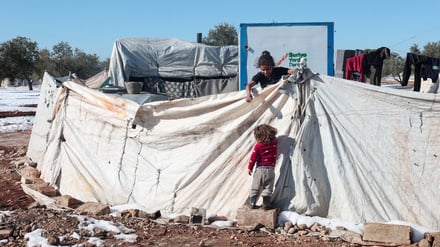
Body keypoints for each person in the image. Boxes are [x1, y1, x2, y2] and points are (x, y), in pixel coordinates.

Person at [247, 124, 278, 210]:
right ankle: (266, 204)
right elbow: (275, 138)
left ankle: (252, 203)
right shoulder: (274, 143)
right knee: (268, 188)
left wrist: (250, 167)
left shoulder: (258, 146)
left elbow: (253, 158)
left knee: (255, 187)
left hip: (260, 169)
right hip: (270, 170)